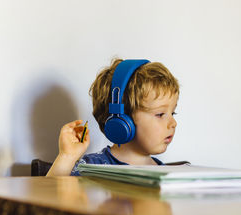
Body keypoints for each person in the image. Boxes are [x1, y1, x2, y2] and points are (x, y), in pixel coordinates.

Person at [46, 58, 179, 176]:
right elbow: (51, 197)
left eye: (173, 113)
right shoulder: (91, 168)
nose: (173, 123)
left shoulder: (166, 175)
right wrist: (67, 156)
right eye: (160, 114)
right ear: (121, 120)